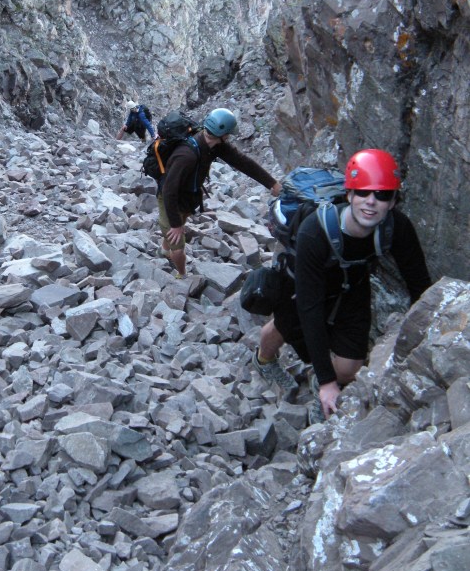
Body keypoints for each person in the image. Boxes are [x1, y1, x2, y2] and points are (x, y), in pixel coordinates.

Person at [253, 149, 432, 421]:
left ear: (393, 201)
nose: (371, 202)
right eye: (363, 193)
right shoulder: (315, 230)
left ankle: (319, 381)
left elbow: (419, 282)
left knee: (350, 368)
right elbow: (309, 307)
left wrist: (430, 333)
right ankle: (264, 359)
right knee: (284, 325)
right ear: (349, 195)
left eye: (382, 195)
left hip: (354, 283)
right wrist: (327, 382)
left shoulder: (397, 228)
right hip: (301, 280)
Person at [159, 107, 281, 277]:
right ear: (223, 134)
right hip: (170, 200)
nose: (229, 137)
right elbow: (168, 191)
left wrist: (272, 183)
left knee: (176, 229)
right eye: (229, 134)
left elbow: (242, 162)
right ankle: (182, 276)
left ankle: (164, 250)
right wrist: (175, 224)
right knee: (178, 245)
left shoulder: (216, 145)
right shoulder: (186, 156)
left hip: (189, 196)